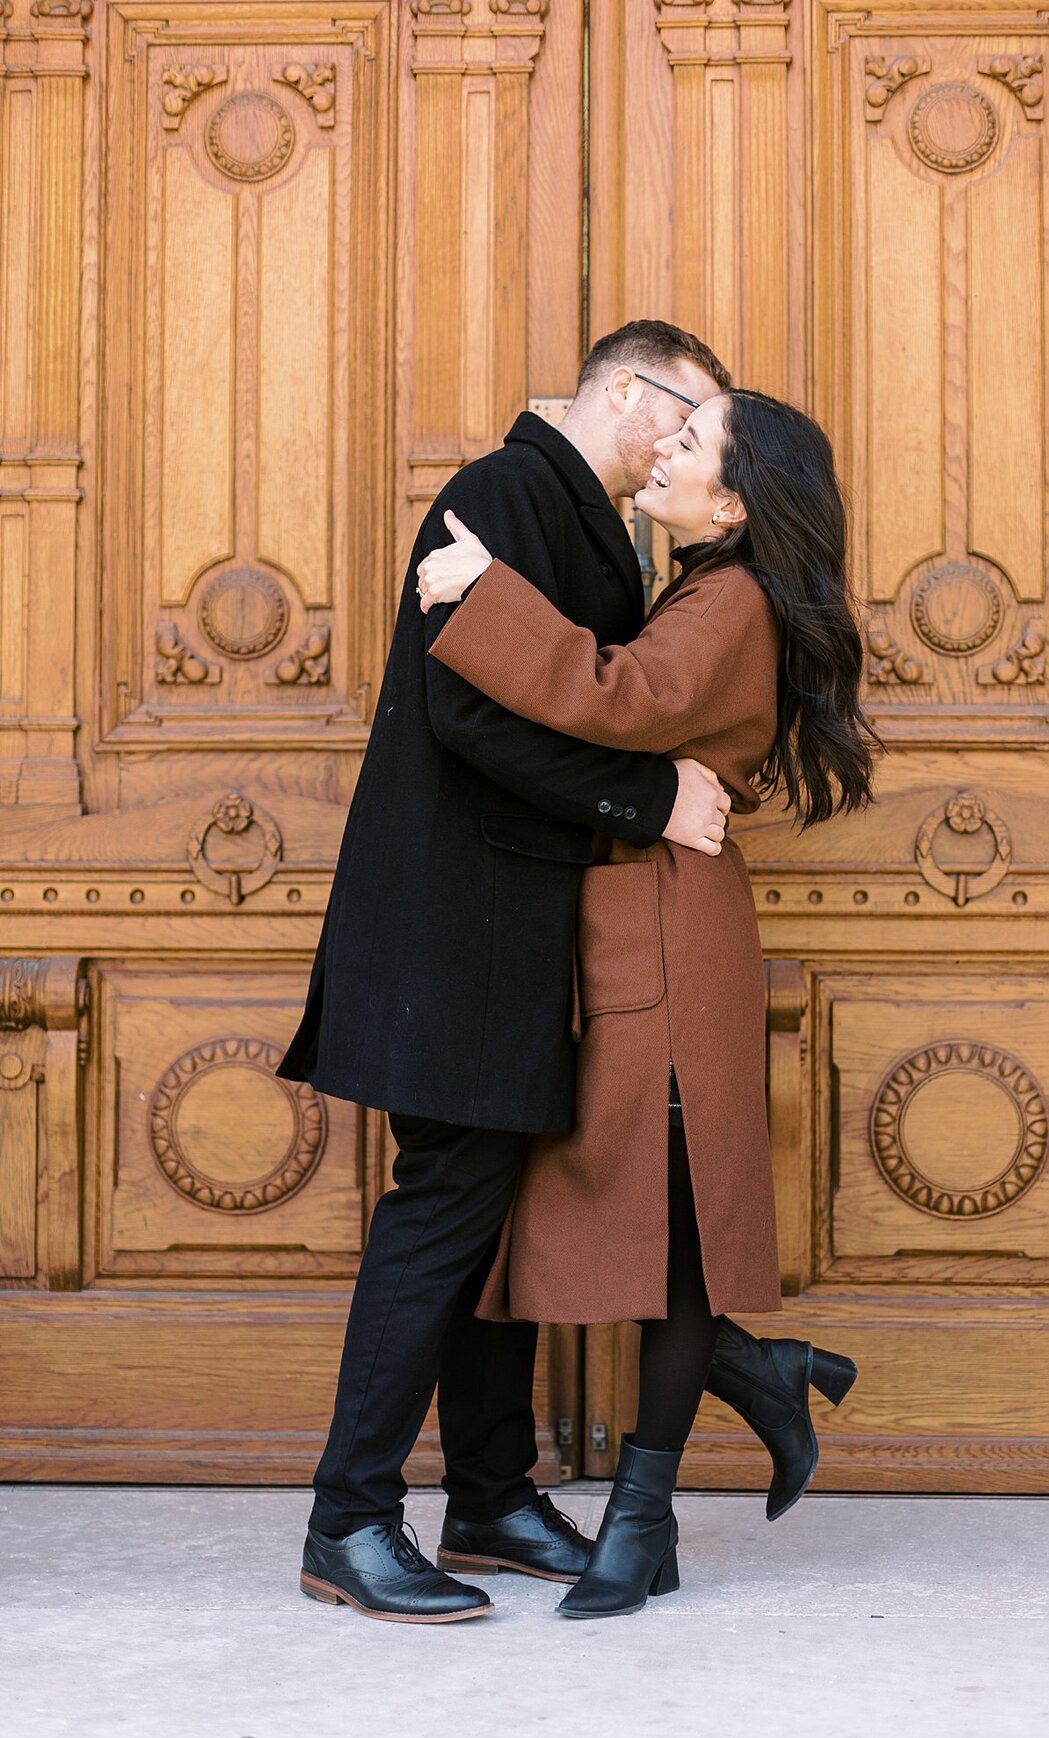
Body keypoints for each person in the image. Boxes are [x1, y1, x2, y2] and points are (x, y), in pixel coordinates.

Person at [282, 323, 820, 1627]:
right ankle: (350, 1519)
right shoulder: (503, 494)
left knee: (491, 1223)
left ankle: (487, 1495)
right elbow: (474, 712)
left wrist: (640, 796)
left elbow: (600, 692)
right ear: (635, 394)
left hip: (522, 941)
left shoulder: (599, 531)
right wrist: (646, 799)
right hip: (454, 931)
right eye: (687, 415)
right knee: (444, 1216)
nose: (683, 443)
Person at [416, 385, 879, 1618]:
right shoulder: (707, 585)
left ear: (733, 500)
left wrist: (483, 595)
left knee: (672, 1231)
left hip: (668, 935)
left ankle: (643, 1515)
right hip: (649, 924)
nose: (663, 449)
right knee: (644, 1218)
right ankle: (752, 1380)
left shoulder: (726, 597)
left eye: (692, 441)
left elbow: (622, 699)